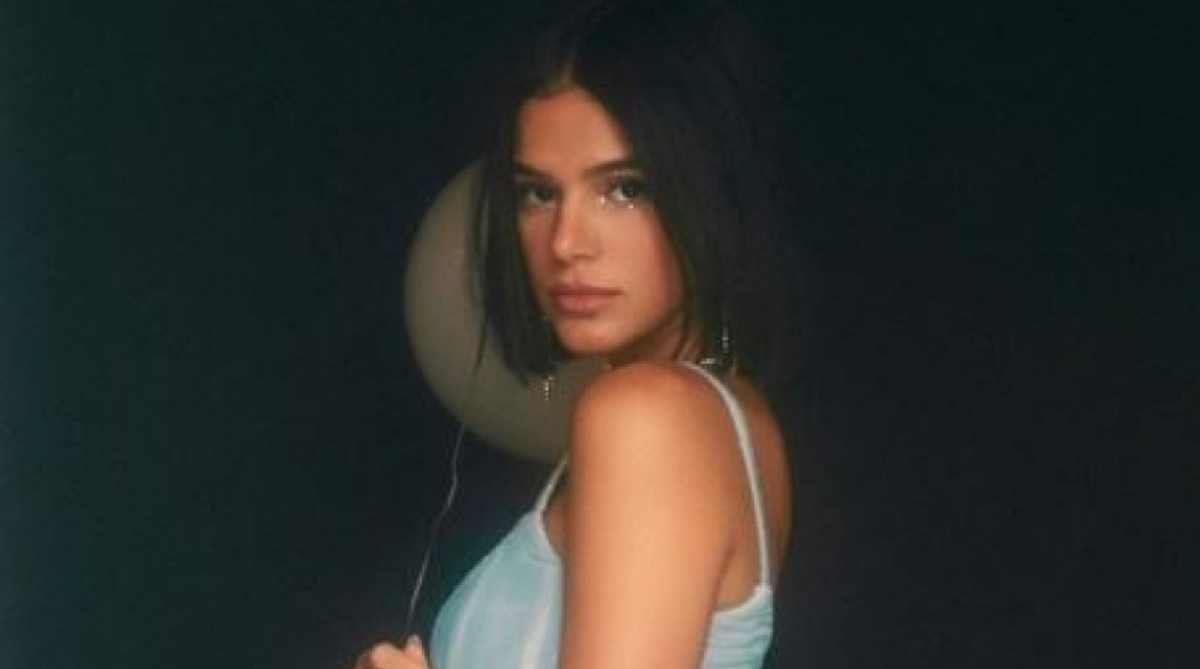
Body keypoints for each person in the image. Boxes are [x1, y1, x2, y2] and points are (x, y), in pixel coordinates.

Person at [358, 1, 794, 666]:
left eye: (624, 188)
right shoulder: (725, 416)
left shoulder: (646, 415)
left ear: (705, 190)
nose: (565, 242)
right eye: (537, 193)